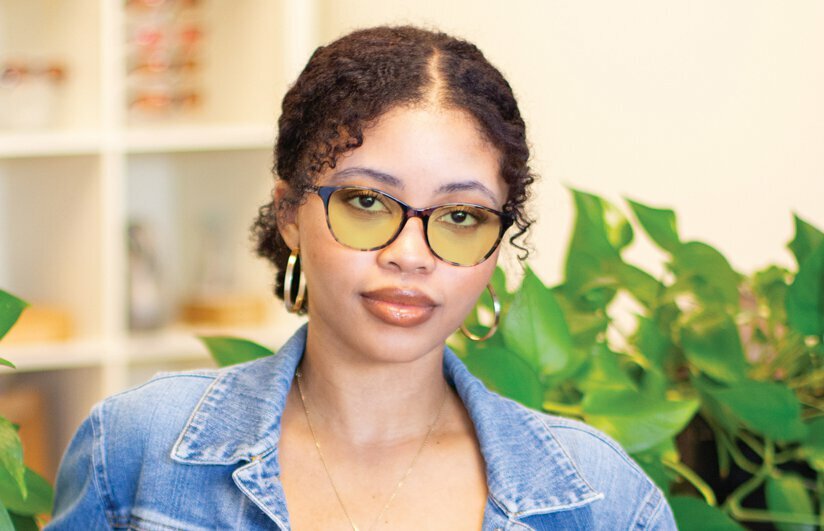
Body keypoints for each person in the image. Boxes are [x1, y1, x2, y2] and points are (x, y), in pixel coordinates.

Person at [47, 26, 676, 530]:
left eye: (461, 216)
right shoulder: (137, 447)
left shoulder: (603, 499)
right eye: (368, 202)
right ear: (290, 214)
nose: (411, 255)